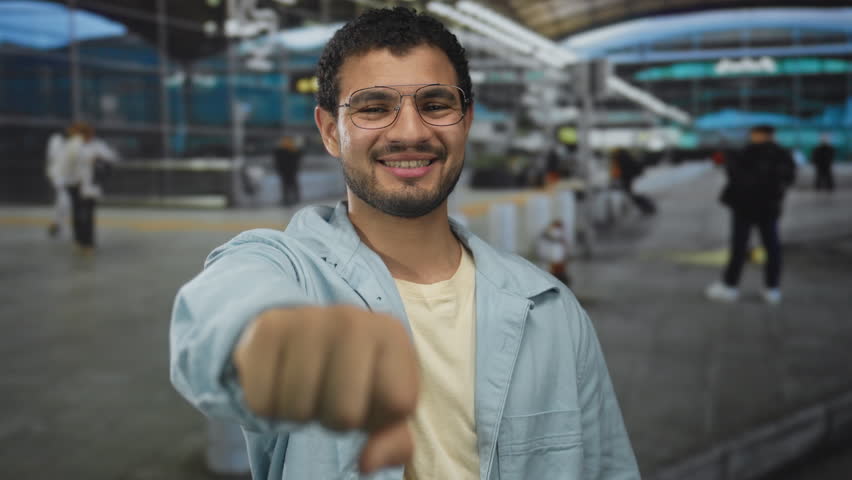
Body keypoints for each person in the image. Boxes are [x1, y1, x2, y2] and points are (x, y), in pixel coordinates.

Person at [170, 8, 639, 480]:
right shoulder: (286, 271)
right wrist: (263, 340)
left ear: (466, 120)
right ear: (331, 131)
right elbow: (218, 311)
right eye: (374, 107)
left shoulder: (552, 312)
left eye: (435, 104)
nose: (411, 132)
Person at [707, 125, 796, 305]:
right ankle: (772, 289)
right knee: (772, 248)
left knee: (739, 247)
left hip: (744, 208)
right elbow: (789, 179)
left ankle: (730, 287)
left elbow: (733, 174)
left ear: (758, 135)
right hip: (769, 208)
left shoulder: (746, 152)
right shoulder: (782, 154)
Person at [62, 123, 118, 254]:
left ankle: (88, 242)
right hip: (75, 184)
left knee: (88, 213)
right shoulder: (73, 145)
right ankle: (79, 239)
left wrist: (99, 158)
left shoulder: (97, 145)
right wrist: (88, 158)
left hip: (90, 185)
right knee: (77, 213)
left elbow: (111, 157)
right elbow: (68, 160)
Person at [45, 125, 72, 238]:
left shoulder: (74, 142)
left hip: (68, 176)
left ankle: (56, 224)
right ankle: (57, 225)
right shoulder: (55, 140)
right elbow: (51, 158)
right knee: (64, 200)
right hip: (58, 175)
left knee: (62, 202)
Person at [612, 147, 656, 215]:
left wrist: (617, 178)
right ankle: (648, 207)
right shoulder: (626, 157)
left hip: (628, 179)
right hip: (632, 179)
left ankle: (648, 207)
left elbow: (620, 171)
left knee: (634, 195)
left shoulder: (620, 158)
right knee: (636, 194)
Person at [273, 136, 303, 206]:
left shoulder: (291, 151)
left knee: (289, 186)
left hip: (289, 171)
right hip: (287, 171)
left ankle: (291, 199)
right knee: (288, 186)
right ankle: (288, 199)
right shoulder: (285, 152)